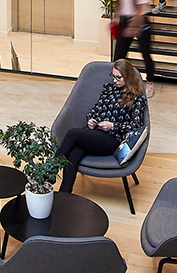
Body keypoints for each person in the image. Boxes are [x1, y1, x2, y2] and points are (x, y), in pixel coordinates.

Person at [55, 59, 149, 192]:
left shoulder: (136, 98)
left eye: (118, 77)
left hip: (111, 140)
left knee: (72, 133)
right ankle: (64, 195)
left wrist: (113, 126)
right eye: (113, 76)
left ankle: (51, 169)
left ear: (128, 77)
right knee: (74, 154)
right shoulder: (108, 89)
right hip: (95, 135)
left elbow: (136, 126)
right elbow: (95, 110)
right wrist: (91, 120)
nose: (115, 80)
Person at [111, 0, 157, 84]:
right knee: (119, 55)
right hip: (125, 21)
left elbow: (141, 7)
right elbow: (122, 4)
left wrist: (132, 26)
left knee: (146, 54)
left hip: (140, 21)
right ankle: (118, 80)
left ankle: (150, 81)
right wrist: (116, 17)